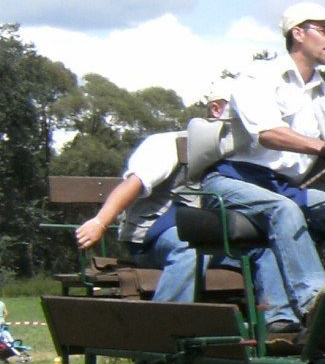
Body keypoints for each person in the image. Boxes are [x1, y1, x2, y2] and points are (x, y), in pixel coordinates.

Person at [204, 3, 325, 339]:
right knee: (285, 210)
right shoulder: (257, 76)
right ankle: (318, 305)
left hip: (283, 186)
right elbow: (267, 132)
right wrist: (323, 147)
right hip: (232, 181)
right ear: (298, 33)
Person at [73, 75, 289, 312]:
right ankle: (166, 325)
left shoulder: (240, 155)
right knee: (192, 246)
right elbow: (134, 184)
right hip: (152, 238)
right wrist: (100, 222)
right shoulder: (169, 144)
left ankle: (279, 322)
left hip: (214, 238)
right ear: (216, 110)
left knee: (263, 248)